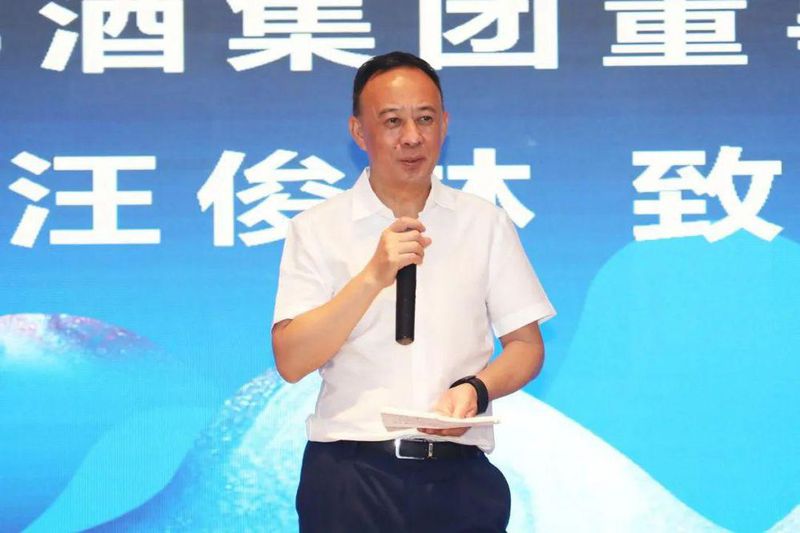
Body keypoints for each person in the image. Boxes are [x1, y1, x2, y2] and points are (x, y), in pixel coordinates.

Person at [271, 51, 555, 532]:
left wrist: (476, 389)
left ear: (445, 124)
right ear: (359, 131)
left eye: (425, 119)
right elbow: (292, 360)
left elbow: (526, 346)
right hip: (349, 478)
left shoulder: (484, 223)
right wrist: (372, 276)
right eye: (392, 121)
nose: (411, 137)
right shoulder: (317, 228)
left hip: (459, 477)